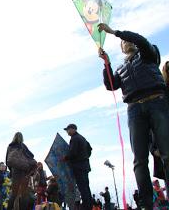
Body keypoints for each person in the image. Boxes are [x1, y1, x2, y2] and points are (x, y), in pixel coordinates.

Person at [98, 23, 169, 209]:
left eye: (127, 40)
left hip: (156, 102)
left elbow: (140, 39)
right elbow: (111, 85)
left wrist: (115, 33)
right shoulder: (121, 68)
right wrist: (106, 64)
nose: (126, 42)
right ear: (121, 49)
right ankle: (146, 204)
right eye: (123, 42)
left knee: (167, 152)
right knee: (139, 159)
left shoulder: (148, 53)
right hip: (134, 109)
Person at [63, 124, 92, 210]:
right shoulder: (82, 138)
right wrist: (84, 157)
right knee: (86, 188)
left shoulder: (74, 139)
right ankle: (89, 206)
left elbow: (73, 152)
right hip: (85, 166)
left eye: (68, 130)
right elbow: (90, 149)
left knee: (82, 188)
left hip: (78, 167)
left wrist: (65, 157)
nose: (67, 132)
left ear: (73, 129)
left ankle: (86, 207)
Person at [5, 132, 37, 210]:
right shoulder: (23, 146)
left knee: (13, 194)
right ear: (22, 138)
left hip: (15, 172)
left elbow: (7, 160)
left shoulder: (10, 147)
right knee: (24, 194)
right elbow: (31, 156)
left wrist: (12, 170)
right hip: (24, 172)